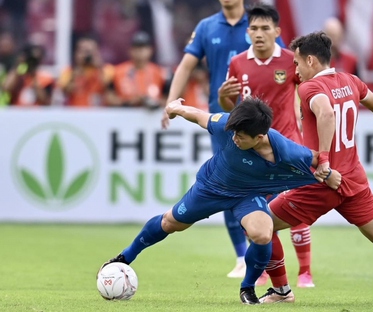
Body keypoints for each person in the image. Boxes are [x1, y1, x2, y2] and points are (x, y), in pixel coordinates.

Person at [255, 32, 373, 305]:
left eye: (297, 63)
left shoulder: (310, 88)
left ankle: (282, 291)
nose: (295, 70)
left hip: (321, 182)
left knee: (261, 223)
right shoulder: (351, 81)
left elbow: (326, 113)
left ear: (310, 60)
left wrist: (323, 160)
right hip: (353, 181)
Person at [99, 96, 342, 304]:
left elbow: (314, 157)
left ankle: (247, 288)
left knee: (262, 233)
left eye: (242, 136)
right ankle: (124, 258)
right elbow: (198, 115)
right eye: (234, 133)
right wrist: (176, 108)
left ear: (259, 137)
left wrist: (328, 172)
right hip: (211, 188)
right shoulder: (226, 124)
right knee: (171, 223)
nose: (235, 138)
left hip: (248, 195)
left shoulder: (285, 150)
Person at [165, 0, 284, 278]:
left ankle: (271, 255)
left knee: (276, 191)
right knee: (229, 186)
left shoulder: (259, 23)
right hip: (224, 121)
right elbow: (185, 66)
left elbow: (288, 64)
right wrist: (170, 103)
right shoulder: (206, 27)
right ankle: (243, 256)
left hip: (261, 122)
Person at [218, 3, 314, 288]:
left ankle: (305, 272)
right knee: (255, 211)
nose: (259, 34)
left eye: (265, 28)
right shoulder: (238, 62)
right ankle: (261, 270)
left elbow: (309, 91)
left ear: (277, 31)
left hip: (287, 146)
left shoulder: (289, 60)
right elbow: (231, 109)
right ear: (248, 32)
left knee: (295, 208)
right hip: (254, 151)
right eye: (254, 29)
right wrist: (223, 97)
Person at [106, 31, 168, 108]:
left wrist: (155, 103)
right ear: (130, 50)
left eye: (143, 47)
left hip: (153, 117)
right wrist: (129, 102)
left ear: (151, 50)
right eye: (137, 47)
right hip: (124, 116)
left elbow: (168, 98)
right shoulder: (117, 72)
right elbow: (109, 97)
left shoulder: (160, 73)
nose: (140, 51)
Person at [58, 35, 114, 106]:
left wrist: (99, 67)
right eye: (83, 51)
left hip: (99, 114)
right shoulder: (68, 72)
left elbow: (108, 90)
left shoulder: (107, 69)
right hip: (75, 113)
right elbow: (66, 92)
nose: (87, 55)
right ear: (76, 53)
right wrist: (78, 69)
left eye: (90, 51)